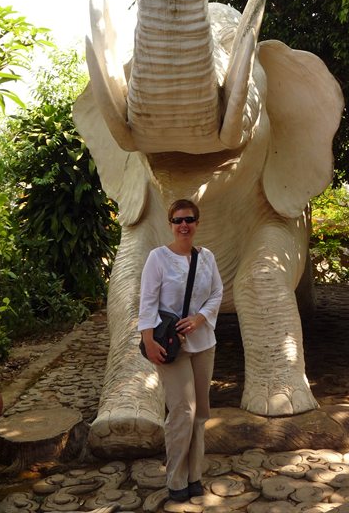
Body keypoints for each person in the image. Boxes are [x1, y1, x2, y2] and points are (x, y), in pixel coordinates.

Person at [138, 199, 223, 502]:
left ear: (197, 223)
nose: (183, 225)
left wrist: (200, 318)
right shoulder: (157, 258)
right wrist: (148, 341)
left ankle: (194, 475)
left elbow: (216, 293)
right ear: (170, 225)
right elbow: (147, 301)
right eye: (177, 220)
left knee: (200, 412)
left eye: (189, 219)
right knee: (182, 411)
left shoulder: (207, 257)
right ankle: (175, 479)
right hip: (169, 346)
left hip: (204, 343)